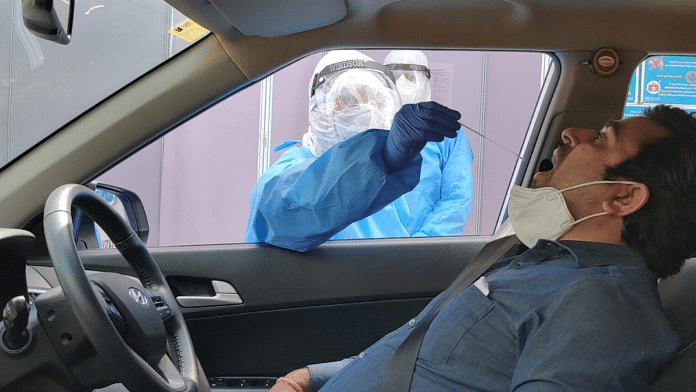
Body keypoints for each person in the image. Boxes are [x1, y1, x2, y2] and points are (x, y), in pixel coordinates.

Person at [269, 105, 696, 391]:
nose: (572, 133)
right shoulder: (540, 261)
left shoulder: (604, 308)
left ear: (622, 198)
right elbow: (421, 357)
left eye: (602, 138)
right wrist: (310, 378)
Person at [244, 50, 471, 252]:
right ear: (318, 106)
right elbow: (295, 207)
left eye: (376, 100)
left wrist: (422, 247)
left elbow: (454, 201)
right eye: (349, 100)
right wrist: (381, 160)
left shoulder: (387, 184)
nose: (367, 110)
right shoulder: (283, 178)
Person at [384, 50, 475, 239]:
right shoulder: (371, 127)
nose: (401, 83)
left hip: (424, 248)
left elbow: (456, 199)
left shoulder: (449, 134)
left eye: (409, 76)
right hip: (369, 247)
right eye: (394, 76)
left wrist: (423, 242)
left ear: (425, 80)